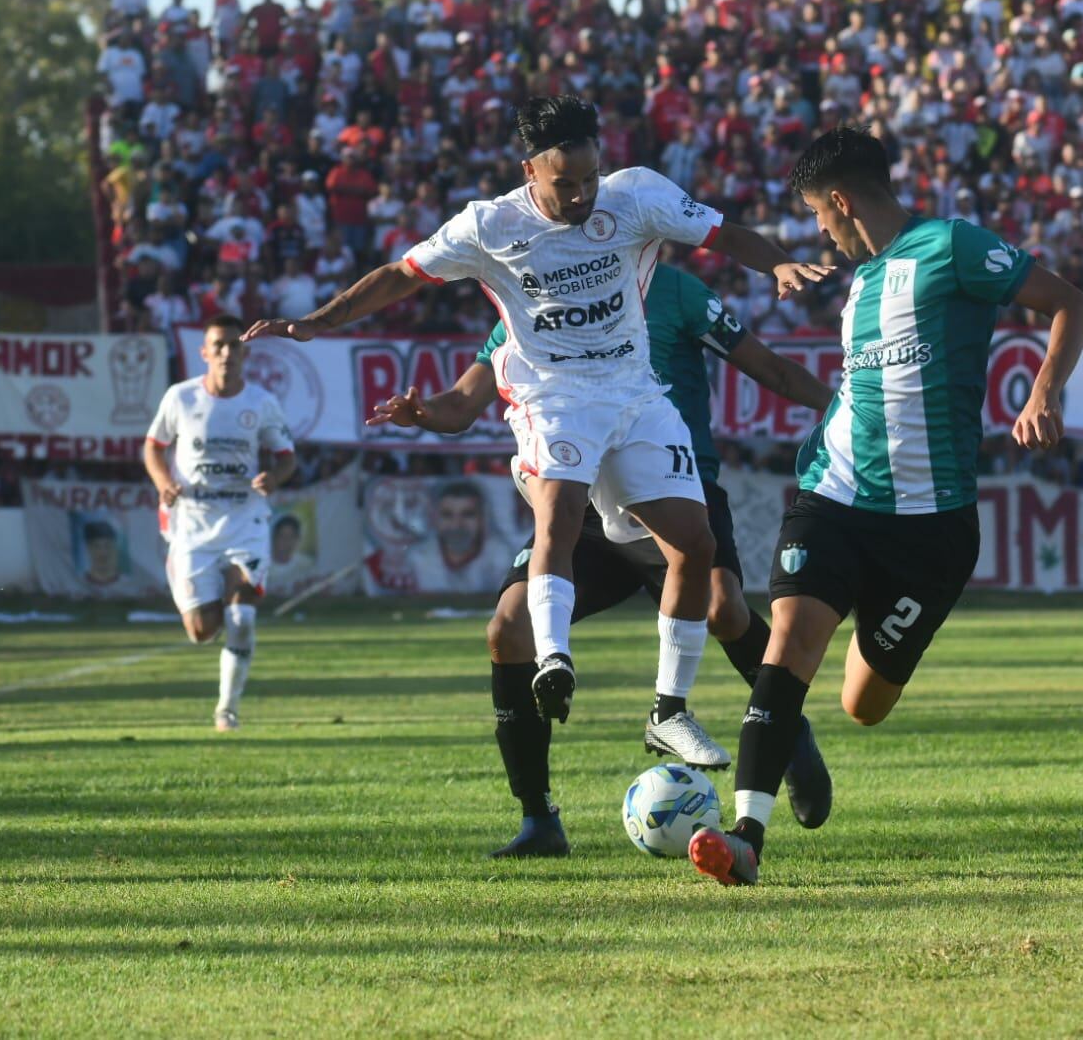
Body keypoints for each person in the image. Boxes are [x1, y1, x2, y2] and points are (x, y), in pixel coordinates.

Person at [245, 96, 828, 765]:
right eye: (564, 184)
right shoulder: (487, 226)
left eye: (588, 179)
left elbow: (724, 235)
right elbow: (398, 277)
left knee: (694, 546)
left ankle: (668, 711)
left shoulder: (635, 195)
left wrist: (778, 262)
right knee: (559, 516)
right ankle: (554, 658)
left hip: (635, 393)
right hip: (553, 397)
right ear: (529, 171)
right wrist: (318, 322)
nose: (581, 195)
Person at [688, 127, 1083, 887]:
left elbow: (1069, 303)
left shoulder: (951, 247)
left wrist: (1043, 393)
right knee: (789, 643)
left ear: (840, 202)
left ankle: (787, 727)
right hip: (835, 495)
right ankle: (745, 836)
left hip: (933, 529)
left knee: (863, 706)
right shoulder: (860, 285)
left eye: (816, 214)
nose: (818, 231)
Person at [368, 263, 837, 857]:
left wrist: (841, 405)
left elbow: (767, 367)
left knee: (723, 609)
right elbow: (464, 402)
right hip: (584, 507)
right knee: (508, 631)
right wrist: (423, 412)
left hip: (673, 489)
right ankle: (539, 820)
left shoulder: (676, 288)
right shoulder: (534, 294)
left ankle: (785, 729)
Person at [144, 315, 297, 731]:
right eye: (219, 345)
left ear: (245, 352)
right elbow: (154, 447)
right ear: (205, 352)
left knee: (242, 616)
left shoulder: (261, 402)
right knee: (202, 631)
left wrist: (274, 477)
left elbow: (287, 457)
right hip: (192, 525)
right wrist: (163, 483)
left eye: (234, 345)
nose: (227, 352)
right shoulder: (181, 398)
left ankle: (226, 710)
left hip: (244, 521)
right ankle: (194, 592)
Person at [406, 481, 514, 593]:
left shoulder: (501, 556)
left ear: (482, 519)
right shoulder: (418, 558)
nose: (456, 525)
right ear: (434, 519)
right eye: (447, 515)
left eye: (468, 514)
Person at [81, 520, 124, 586]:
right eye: (96, 546)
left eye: (108, 546)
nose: (103, 552)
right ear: (88, 549)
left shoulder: (131, 584)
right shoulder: (77, 583)